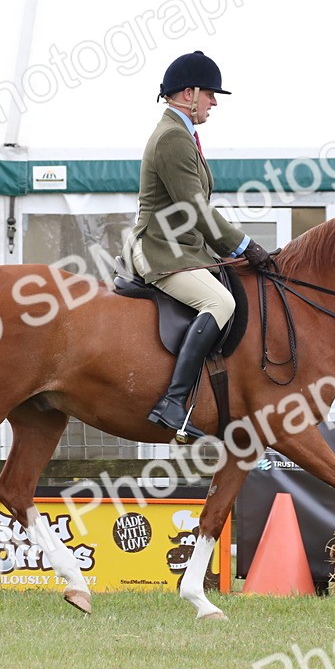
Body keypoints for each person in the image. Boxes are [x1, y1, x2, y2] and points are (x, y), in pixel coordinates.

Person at [127, 51, 272, 440]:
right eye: (209, 93)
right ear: (188, 93)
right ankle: (174, 404)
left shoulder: (184, 135)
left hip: (183, 247)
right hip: (159, 248)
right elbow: (196, 208)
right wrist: (243, 245)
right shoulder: (173, 137)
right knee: (220, 303)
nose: (214, 101)